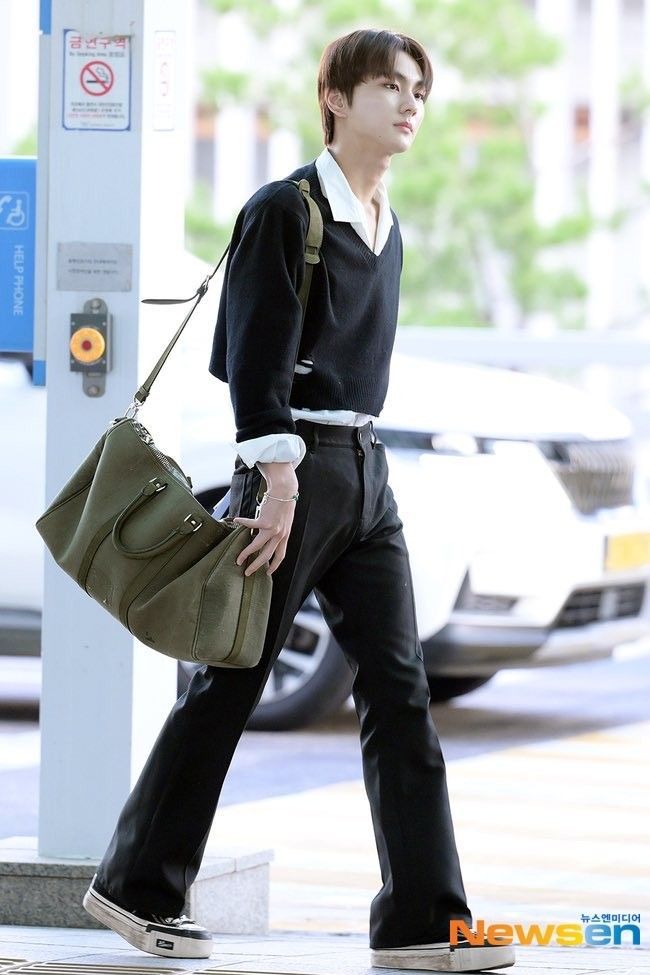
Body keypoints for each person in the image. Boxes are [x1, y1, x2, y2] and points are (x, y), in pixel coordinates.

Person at [82, 28, 515, 973]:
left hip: (366, 473)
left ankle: (423, 920)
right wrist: (275, 484)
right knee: (231, 682)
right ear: (338, 96)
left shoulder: (386, 218)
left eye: (420, 93)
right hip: (293, 470)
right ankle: (135, 887)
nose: (411, 105)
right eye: (392, 87)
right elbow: (252, 360)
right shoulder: (286, 209)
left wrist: (352, 476)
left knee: (401, 693)